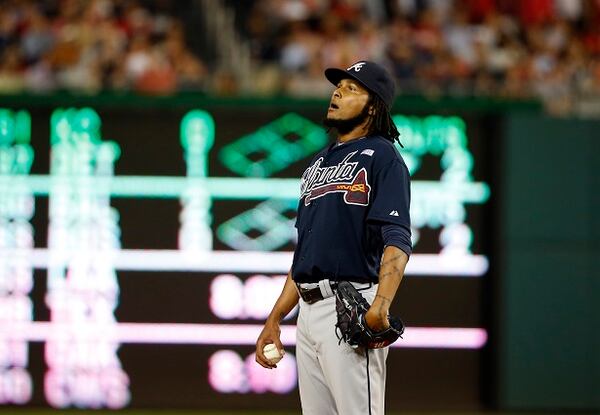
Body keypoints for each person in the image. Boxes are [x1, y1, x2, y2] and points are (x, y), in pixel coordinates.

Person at [255, 60, 412, 415]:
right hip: (308, 314)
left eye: (352, 88)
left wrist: (381, 305)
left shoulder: (383, 156)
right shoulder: (318, 164)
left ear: (373, 106)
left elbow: (397, 239)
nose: (338, 92)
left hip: (353, 303)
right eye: (338, 86)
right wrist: (276, 317)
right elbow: (306, 256)